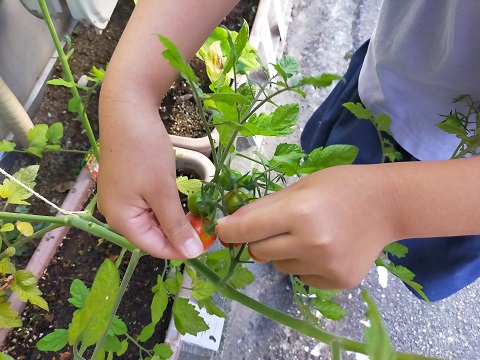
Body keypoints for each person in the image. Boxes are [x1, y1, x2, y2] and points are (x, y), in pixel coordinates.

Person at [98, 0, 480, 302]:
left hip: (457, 196)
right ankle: (311, 264)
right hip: (387, 85)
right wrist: (128, 93)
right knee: (328, 207)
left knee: (366, 236)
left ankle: (320, 265)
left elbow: (382, 206)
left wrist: (390, 208)